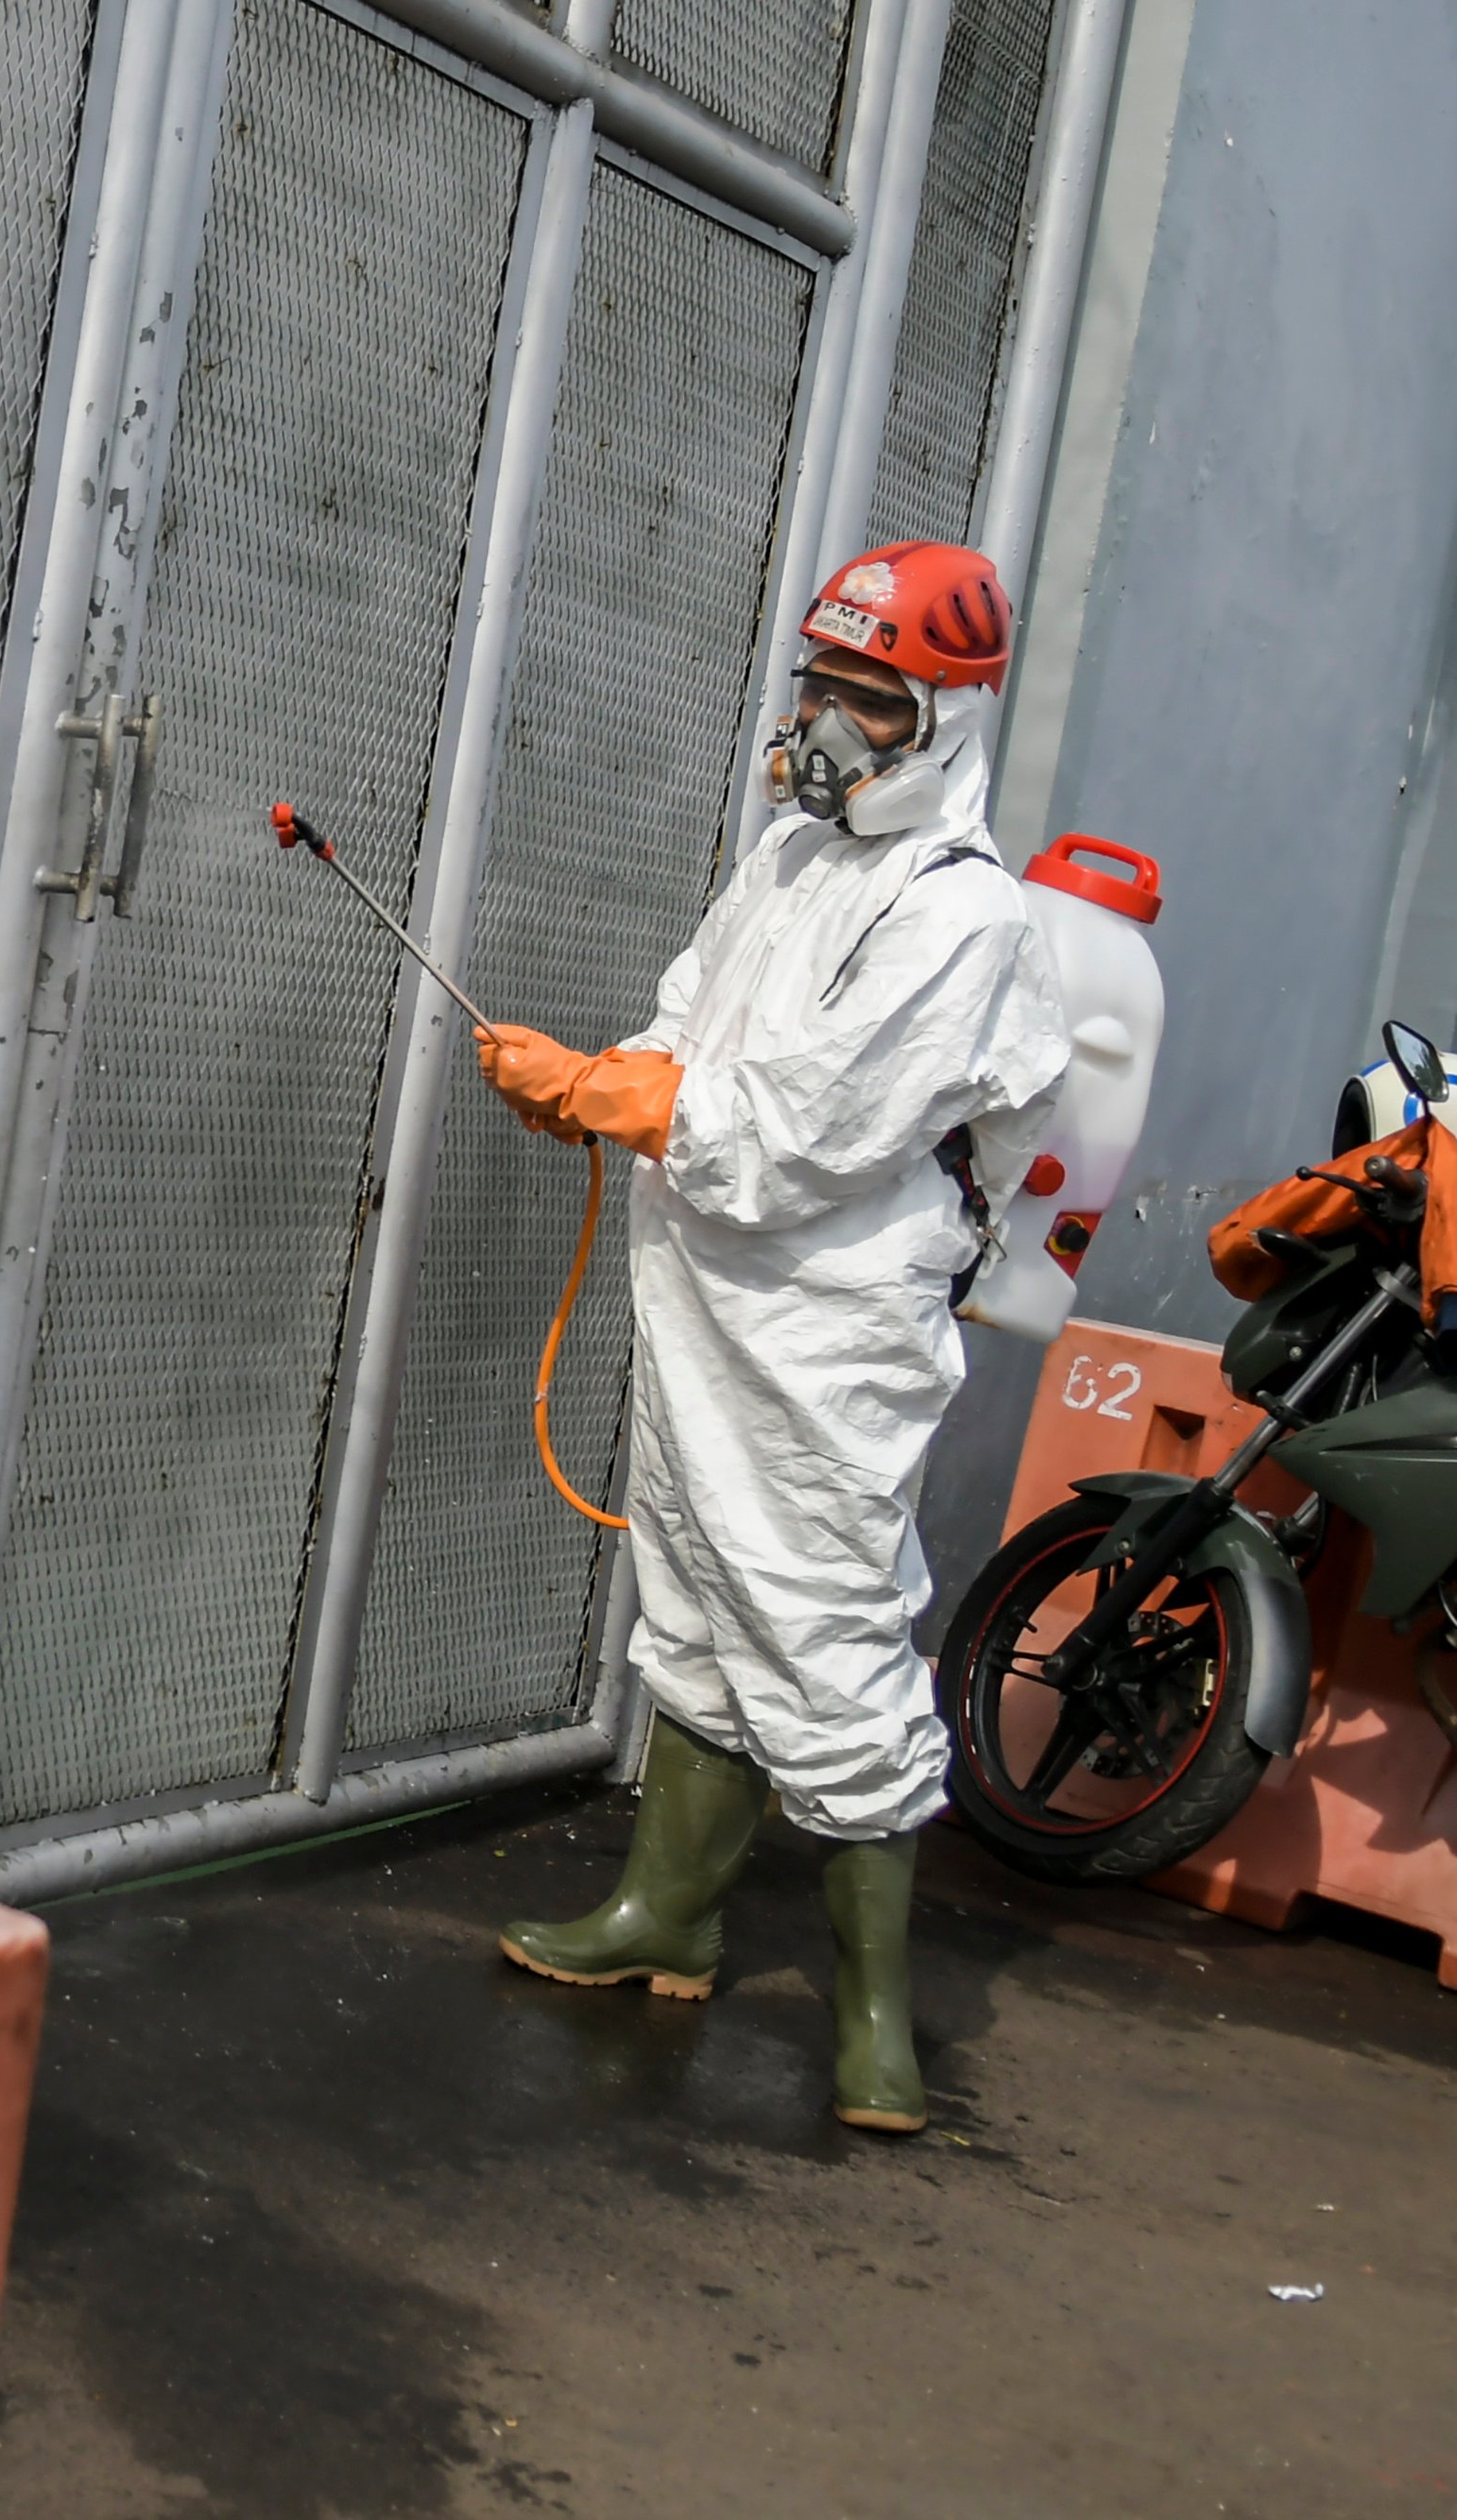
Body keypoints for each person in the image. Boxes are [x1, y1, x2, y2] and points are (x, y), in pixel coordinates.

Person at [472, 541, 1070, 2134]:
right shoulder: (792, 861)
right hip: (704, 1292)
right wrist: (607, 1078)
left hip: (827, 1332)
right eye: (820, 682)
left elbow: (807, 1127)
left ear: (942, 718)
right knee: (691, 1587)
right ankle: (666, 1915)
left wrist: (635, 1103)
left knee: (821, 1624)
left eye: (868, 696)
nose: (828, 720)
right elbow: (696, 1025)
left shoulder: (967, 917)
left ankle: (880, 2018)